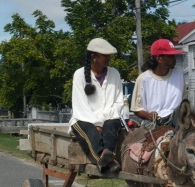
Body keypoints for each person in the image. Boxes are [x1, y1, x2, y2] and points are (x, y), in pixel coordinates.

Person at [69, 37, 123, 173]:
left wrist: (103, 122)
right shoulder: (79, 75)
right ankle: (108, 162)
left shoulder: (114, 73)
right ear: (94, 56)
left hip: (109, 117)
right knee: (90, 131)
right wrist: (96, 123)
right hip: (83, 119)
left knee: (112, 126)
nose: (108, 58)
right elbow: (80, 106)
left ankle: (107, 153)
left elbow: (118, 102)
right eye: (105, 55)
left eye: (109, 55)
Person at [130, 39, 186, 128]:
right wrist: (148, 115)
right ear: (159, 58)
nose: (174, 59)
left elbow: (184, 101)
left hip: (176, 120)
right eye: (171, 56)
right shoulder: (143, 79)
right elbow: (136, 109)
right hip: (154, 122)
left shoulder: (179, 75)